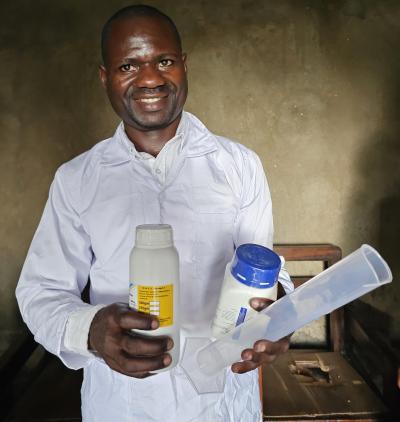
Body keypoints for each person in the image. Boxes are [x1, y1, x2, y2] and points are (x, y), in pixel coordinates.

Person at [16, 5, 293, 421]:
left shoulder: (239, 166)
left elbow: (267, 272)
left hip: (223, 406)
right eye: (129, 64)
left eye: (163, 61)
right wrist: (90, 330)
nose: (149, 78)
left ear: (183, 65)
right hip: (122, 406)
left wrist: (279, 314)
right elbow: (40, 293)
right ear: (105, 77)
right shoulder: (77, 179)